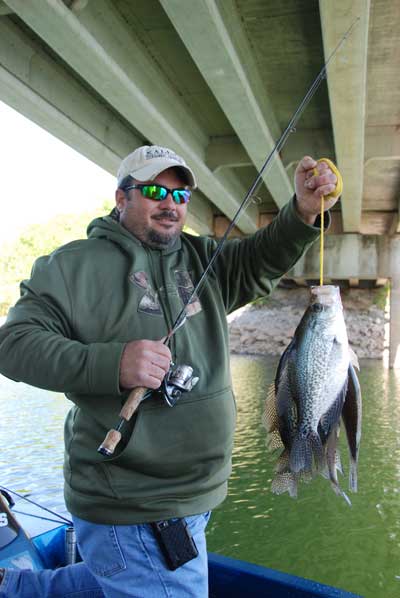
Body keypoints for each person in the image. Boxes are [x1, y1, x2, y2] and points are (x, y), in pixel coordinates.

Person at [0, 145, 340, 597]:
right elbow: (14, 345)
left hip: (197, 493)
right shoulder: (70, 267)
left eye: (181, 196)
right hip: (136, 504)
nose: (170, 203)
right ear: (121, 199)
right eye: (156, 190)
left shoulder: (204, 260)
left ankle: (18, 588)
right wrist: (113, 364)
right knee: (134, 567)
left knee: (116, 574)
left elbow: (263, 255)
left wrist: (302, 211)